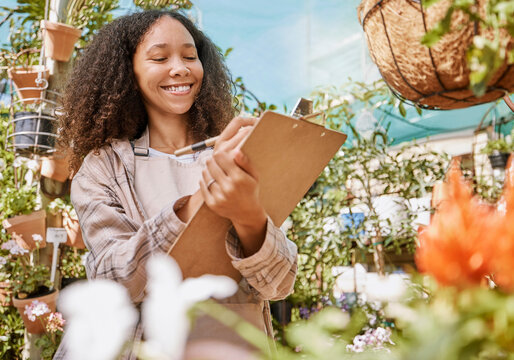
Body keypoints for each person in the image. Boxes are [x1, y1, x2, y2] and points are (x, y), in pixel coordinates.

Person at [54, 9, 297, 359]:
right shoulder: (104, 167)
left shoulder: (239, 154)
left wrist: (249, 217)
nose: (180, 68)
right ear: (128, 72)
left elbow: (279, 283)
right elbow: (114, 279)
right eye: (159, 57)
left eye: (189, 56)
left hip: (235, 347)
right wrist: (200, 201)